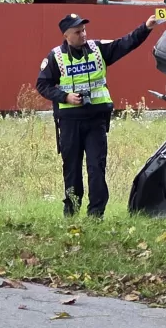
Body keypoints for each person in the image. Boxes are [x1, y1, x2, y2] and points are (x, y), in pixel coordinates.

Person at [36, 12, 159, 218]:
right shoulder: (56, 57)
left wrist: (146, 27)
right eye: (77, 32)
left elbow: (125, 43)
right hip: (70, 122)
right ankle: (71, 211)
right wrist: (65, 97)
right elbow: (42, 84)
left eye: (84, 30)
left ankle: (96, 215)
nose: (83, 34)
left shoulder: (97, 49)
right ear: (66, 35)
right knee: (72, 169)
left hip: (96, 120)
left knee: (96, 168)